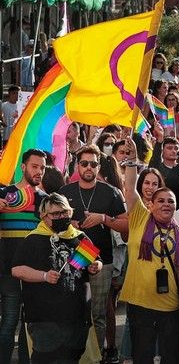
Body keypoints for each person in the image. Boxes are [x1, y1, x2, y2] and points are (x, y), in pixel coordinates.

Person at [12, 193, 102, 363]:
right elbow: (17, 270)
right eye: (55, 214)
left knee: (72, 358)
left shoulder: (79, 237)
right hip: (44, 319)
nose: (61, 217)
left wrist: (95, 266)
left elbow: (96, 261)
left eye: (65, 212)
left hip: (76, 317)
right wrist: (44, 276)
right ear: (43, 216)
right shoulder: (33, 239)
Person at [58, 145, 128, 353]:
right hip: (74, 258)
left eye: (94, 164)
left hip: (102, 259)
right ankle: (74, 355)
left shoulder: (111, 192)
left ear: (99, 167)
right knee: (73, 310)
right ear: (77, 165)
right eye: (84, 163)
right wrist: (70, 223)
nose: (89, 167)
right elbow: (51, 222)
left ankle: (97, 355)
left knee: (98, 313)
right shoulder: (65, 191)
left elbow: (126, 226)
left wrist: (104, 219)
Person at [121, 174, 179, 362]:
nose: (166, 204)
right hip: (140, 304)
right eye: (160, 200)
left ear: (175, 206)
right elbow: (130, 189)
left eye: (171, 201)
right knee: (142, 355)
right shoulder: (140, 219)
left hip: (170, 307)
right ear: (151, 205)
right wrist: (131, 162)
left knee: (171, 357)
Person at [0, 149, 48, 363]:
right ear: (23, 167)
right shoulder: (3, 194)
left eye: (42, 168)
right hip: (7, 269)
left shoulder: (46, 200)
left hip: (35, 273)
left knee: (30, 323)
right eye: (34, 166)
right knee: (9, 321)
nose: (39, 171)